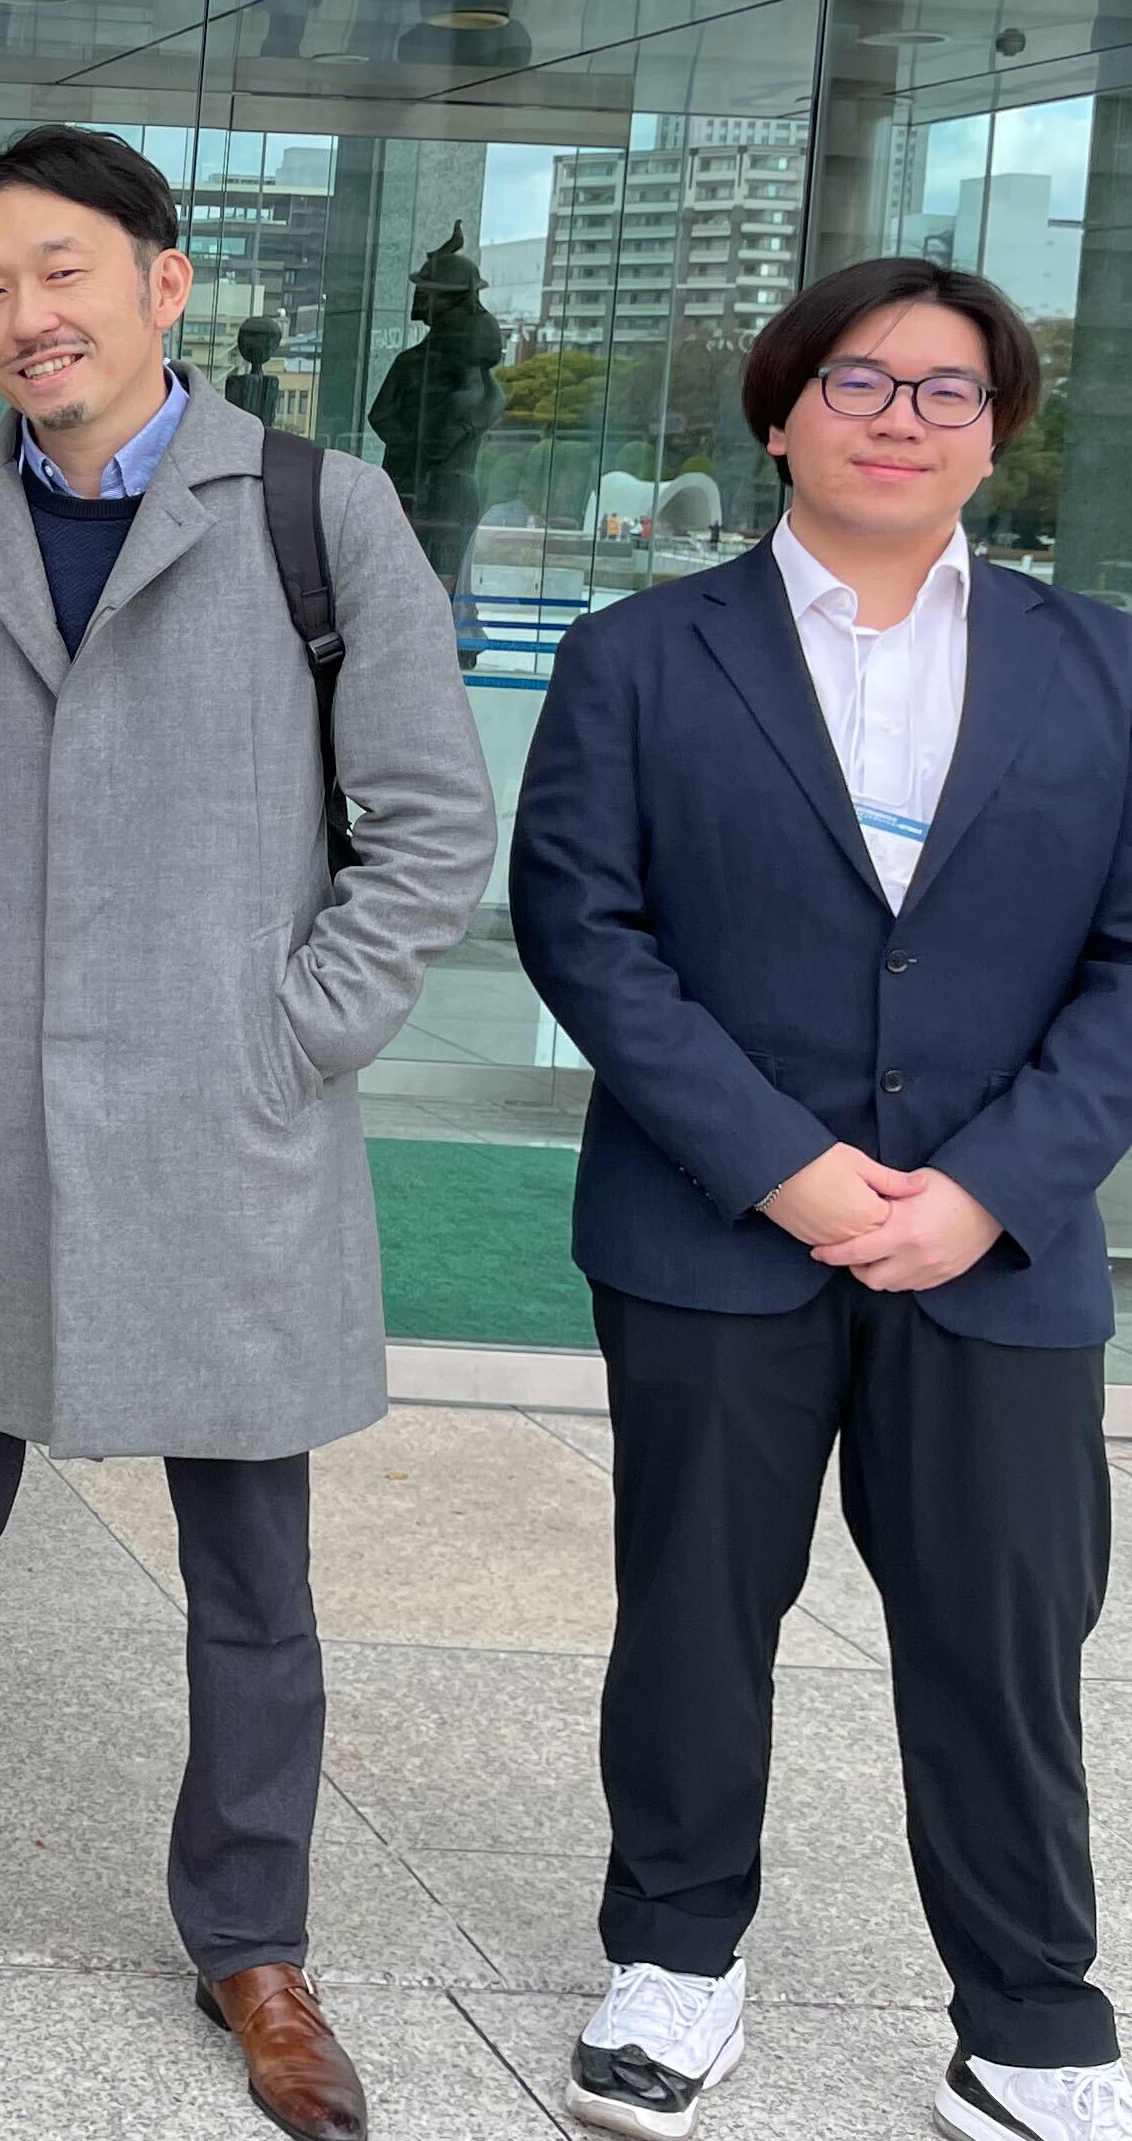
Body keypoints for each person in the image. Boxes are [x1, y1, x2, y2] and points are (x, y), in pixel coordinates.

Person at [0, 126, 494, 2139]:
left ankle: (253, 1938)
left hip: (226, 1120)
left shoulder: (316, 508)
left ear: (163, 284)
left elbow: (428, 821)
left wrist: (295, 1033)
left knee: (251, 1571)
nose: (29, 315)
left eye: (64, 270)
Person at [512, 258, 1132, 2141]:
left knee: (1004, 1631)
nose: (902, 416)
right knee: (695, 1611)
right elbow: (584, 927)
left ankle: (1029, 2007)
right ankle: (673, 1957)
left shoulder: (1102, 662)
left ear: (996, 436)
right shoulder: (640, 655)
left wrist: (989, 1187)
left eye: (950, 390)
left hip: (997, 1246)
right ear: (780, 415)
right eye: (858, 380)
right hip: (715, 1228)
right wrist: (778, 1163)